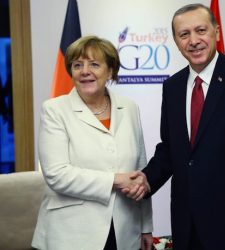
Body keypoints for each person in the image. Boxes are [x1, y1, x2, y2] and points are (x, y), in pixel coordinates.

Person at [126, 4, 225, 250]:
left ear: (216, 32)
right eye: (184, 34)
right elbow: (170, 149)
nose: (194, 40)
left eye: (201, 30)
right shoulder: (173, 87)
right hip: (186, 222)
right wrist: (146, 180)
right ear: (176, 41)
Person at [32, 35, 153, 250]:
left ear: (110, 71)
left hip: (125, 230)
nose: (84, 71)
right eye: (78, 65)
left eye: (94, 64)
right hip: (72, 233)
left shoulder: (130, 107)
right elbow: (56, 174)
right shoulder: (54, 110)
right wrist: (115, 180)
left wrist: (145, 226)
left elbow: (140, 170)